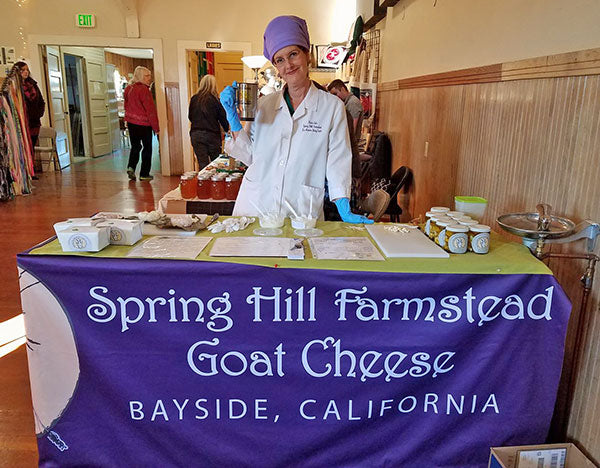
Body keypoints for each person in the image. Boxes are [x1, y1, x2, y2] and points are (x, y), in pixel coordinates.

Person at [219, 15, 372, 224]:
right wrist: (234, 121)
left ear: (307, 54)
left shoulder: (332, 107)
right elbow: (249, 156)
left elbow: (338, 160)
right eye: (279, 60)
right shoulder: (264, 106)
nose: (288, 65)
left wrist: (342, 203)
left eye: (293, 54)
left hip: (301, 210)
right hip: (255, 206)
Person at [124, 66, 159, 181]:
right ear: (140, 77)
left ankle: (131, 167)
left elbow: (126, 106)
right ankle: (144, 173)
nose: (149, 78)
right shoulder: (144, 90)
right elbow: (150, 110)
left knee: (135, 146)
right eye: (147, 76)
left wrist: (127, 119)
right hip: (144, 124)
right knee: (147, 148)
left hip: (131, 123)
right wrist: (156, 127)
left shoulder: (128, 89)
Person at [188, 74, 229, 168]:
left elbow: (190, 116)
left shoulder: (194, 99)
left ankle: (203, 182)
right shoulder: (215, 100)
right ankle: (214, 182)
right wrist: (227, 130)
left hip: (196, 134)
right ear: (213, 86)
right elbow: (222, 118)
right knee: (215, 164)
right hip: (212, 135)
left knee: (202, 164)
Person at [15, 61, 45, 150]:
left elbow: (41, 101)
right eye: (23, 70)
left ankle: (31, 163)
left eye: (27, 69)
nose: (26, 72)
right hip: (23, 122)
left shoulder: (33, 85)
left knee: (31, 147)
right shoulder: (15, 87)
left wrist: (39, 113)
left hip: (35, 122)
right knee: (24, 149)